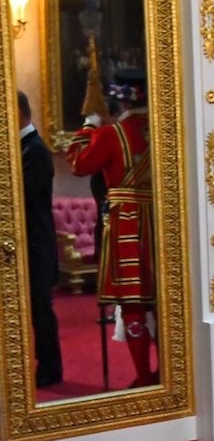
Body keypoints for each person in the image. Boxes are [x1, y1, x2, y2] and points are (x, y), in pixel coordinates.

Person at [66, 70, 156, 388]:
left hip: (128, 224)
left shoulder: (110, 135)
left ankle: (145, 376)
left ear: (119, 100)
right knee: (166, 300)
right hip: (162, 225)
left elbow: (78, 163)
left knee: (133, 302)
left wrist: (88, 125)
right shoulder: (164, 133)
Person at [18, 91, 63, 388]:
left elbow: (24, 194)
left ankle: (49, 368)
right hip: (25, 244)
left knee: (40, 308)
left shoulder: (35, 149)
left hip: (37, 244)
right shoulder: (19, 147)